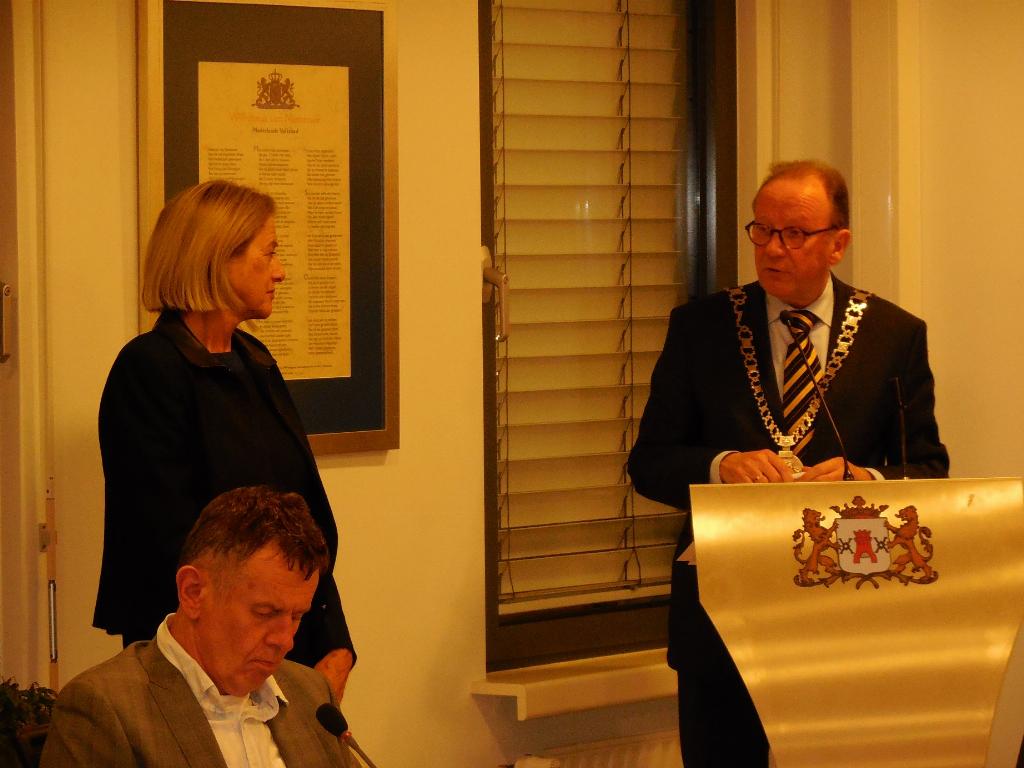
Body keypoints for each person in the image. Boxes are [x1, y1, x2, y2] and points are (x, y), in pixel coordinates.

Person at [628, 160, 949, 766]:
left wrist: (863, 480)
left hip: (847, 611)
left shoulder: (894, 335)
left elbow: (928, 472)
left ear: (838, 243)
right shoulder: (700, 329)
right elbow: (649, 463)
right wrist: (722, 466)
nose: (773, 249)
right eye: (762, 230)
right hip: (723, 614)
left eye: (794, 234)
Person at [93, 180, 354, 698]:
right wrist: (256, 647)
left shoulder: (255, 361)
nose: (280, 271)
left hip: (286, 642)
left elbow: (302, 520)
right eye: (269, 253)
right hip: (202, 658)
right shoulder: (150, 369)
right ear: (218, 258)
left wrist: (333, 641)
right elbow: (172, 543)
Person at [42, 486, 356, 767]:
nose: (285, 640)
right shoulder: (105, 708)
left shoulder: (311, 694)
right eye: (265, 612)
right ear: (193, 592)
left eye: (297, 616)